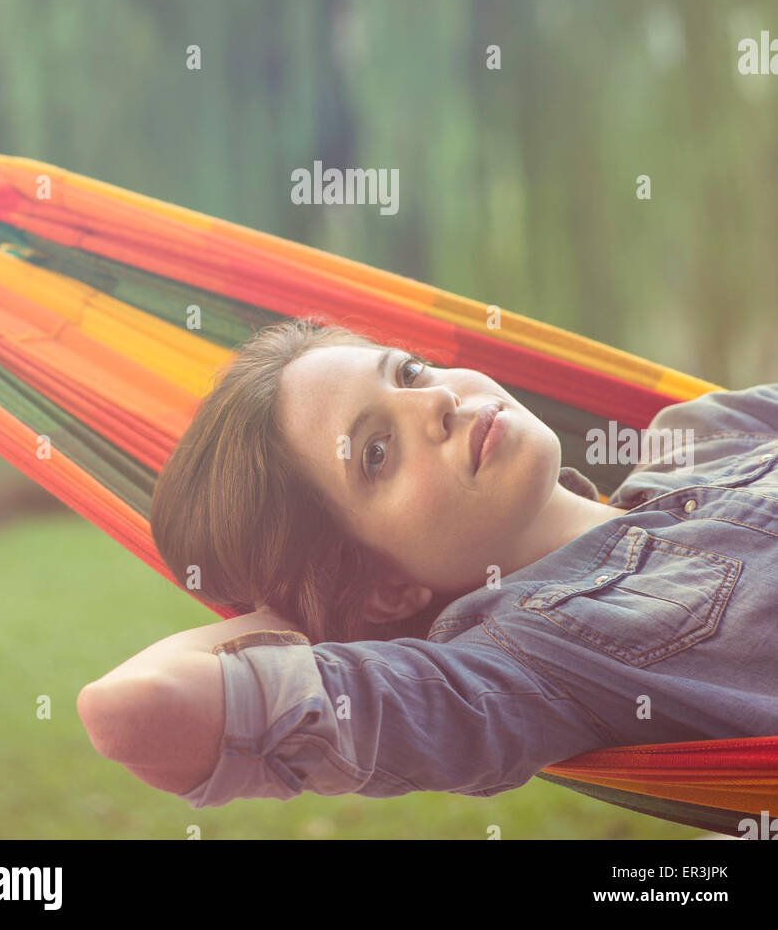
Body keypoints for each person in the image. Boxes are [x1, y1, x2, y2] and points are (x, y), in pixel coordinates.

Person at [76, 319, 778, 808]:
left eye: (407, 372)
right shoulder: (520, 669)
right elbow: (135, 709)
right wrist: (309, 617)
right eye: (375, 453)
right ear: (383, 585)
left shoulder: (703, 434)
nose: (437, 401)